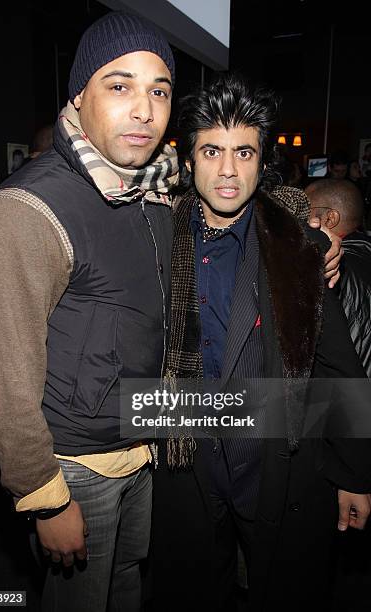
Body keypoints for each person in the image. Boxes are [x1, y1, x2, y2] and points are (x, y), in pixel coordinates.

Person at [0, 11, 177, 612]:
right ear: (79, 95)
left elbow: (231, 196)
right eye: (120, 86)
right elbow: (3, 379)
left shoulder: (148, 190)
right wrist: (45, 495)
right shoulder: (27, 209)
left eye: (158, 90)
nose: (144, 108)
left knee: (125, 590)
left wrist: (313, 234)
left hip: (140, 449)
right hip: (75, 467)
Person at [149, 73, 371, 612]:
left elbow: (337, 366)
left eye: (243, 152)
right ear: (189, 159)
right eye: (212, 151)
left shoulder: (299, 245)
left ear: (261, 159)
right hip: (189, 467)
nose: (228, 170)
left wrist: (354, 475)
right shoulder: (154, 237)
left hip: (279, 462)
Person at [306, 178, 371, 376]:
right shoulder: (364, 249)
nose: (300, 217)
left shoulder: (333, 268)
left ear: (330, 219)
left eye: (305, 209)